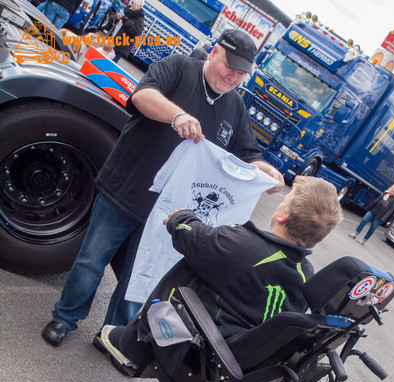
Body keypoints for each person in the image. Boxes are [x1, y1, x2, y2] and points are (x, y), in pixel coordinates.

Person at [41, 29, 284, 348]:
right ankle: (65, 318)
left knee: (140, 276)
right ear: (213, 52)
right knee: (92, 259)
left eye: (241, 74)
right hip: (126, 189)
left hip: (170, 211)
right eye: (230, 67)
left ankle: (112, 335)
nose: (233, 77)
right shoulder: (179, 67)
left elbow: (248, 153)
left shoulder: (234, 107)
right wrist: (177, 115)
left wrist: (268, 172)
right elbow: (143, 96)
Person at [98, 176, 343, 373]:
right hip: (240, 356)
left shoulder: (243, 245)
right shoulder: (305, 274)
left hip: (201, 346)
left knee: (194, 267)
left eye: (284, 200)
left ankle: (135, 347)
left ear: (282, 215)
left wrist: (179, 217)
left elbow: (191, 235)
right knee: (221, 279)